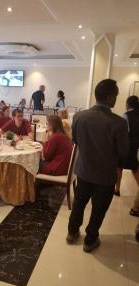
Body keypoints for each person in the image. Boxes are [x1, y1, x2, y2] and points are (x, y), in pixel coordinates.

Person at [66, 79, 129, 253]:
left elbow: (76, 140)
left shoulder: (79, 116)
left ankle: (72, 233)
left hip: (84, 170)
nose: (116, 99)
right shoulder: (119, 123)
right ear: (109, 98)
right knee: (99, 208)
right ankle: (90, 240)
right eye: (115, 96)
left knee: (79, 202)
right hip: (105, 175)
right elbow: (123, 151)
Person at [115, 96, 139, 203]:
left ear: (128, 104)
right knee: (134, 167)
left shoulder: (126, 115)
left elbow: (123, 132)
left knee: (119, 166)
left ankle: (117, 189)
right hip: (136, 145)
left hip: (127, 144)